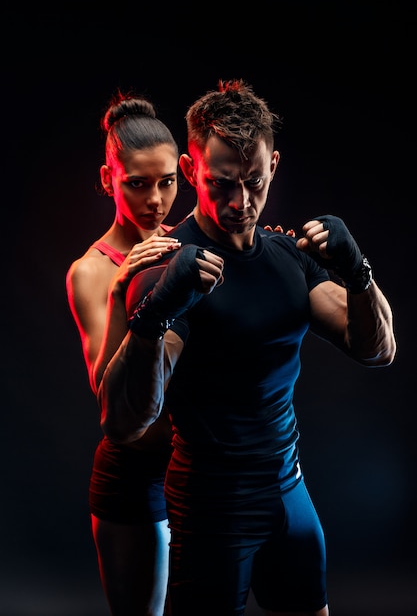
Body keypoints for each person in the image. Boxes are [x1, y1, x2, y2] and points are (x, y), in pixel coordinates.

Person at [97, 80, 397, 616]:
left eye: (254, 182)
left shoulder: (289, 256)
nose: (240, 203)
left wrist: (359, 273)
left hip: (290, 495)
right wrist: (152, 317)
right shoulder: (170, 267)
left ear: (273, 165)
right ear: (191, 172)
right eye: (221, 184)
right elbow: (125, 423)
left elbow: (377, 348)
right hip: (211, 509)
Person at [65, 90, 182, 616]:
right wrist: (123, 288)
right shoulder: (91, 269)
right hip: (135, 477)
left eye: (167, 182)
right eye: (137, 184)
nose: (155, 201)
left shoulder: (188, 245)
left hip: (202, 470)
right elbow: (109, 396)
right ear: (110, 179)